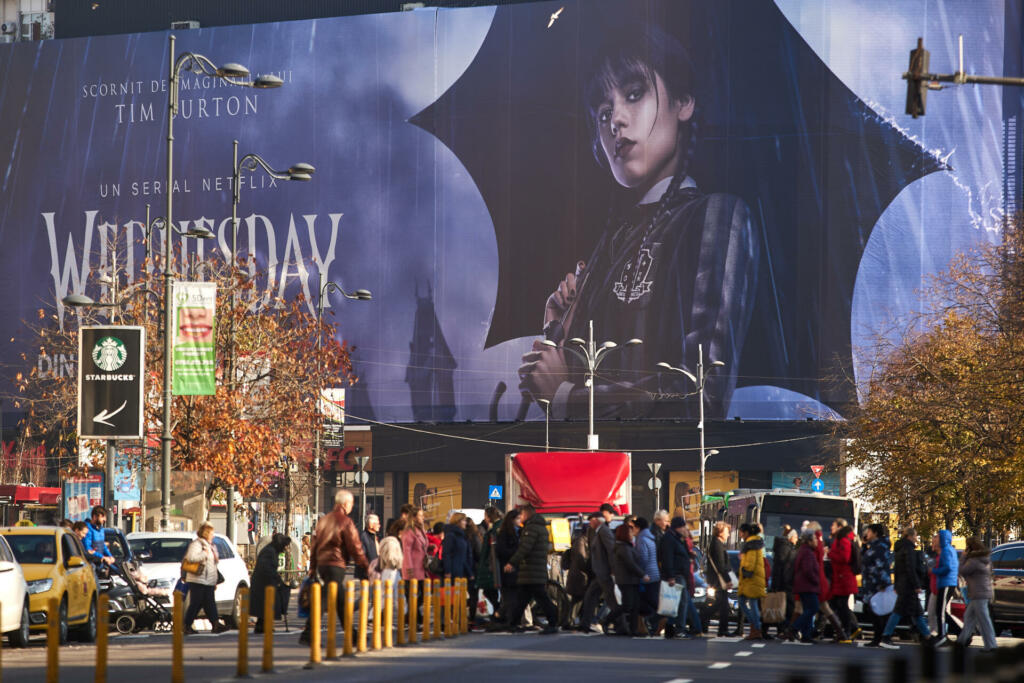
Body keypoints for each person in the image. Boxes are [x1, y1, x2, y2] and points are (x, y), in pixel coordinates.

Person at [517, 21, 759, 423]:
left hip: (669, 476)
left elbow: (699, 393)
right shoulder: (609, 247)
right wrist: (558, 330)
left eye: (634, 94)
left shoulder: (717, 216)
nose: (616, 121)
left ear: (684, 101)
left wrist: (565, 396)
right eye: (603, 112)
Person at [301, 489, 369, 645]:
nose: (352, 506)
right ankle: (308, 634)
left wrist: (313, 567)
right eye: (351, 503)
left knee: (340, 602)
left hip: (322, 564)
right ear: (345, 504)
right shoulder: (345, 522)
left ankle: (352, 636)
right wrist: (365, 565)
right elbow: (355, 547)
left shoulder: (324, 520)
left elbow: (315, 546)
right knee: (325, 601)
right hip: (336, 565)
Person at [503, 504, 559, 635]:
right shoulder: (540, 527)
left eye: (521, 515)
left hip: (532, 570)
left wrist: (512, 562)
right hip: (532, 570)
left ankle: (553, 622)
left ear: (526, 514)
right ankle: (513, 623)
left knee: (541, 598)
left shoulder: (531, 528)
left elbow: (525, 548)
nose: (520, 518)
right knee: (522, 599)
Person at [873, 526, 931, 648]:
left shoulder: (899, 549)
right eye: (915, 536)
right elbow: (910, 568)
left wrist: (897, 584)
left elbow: (898, 569)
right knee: (900, 612)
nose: (916, 538)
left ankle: (928, 636)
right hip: (908, 586)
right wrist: (916, 585)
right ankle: (886, 636)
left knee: (916, 612)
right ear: (909, 536)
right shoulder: (909, 549)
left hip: (902, 585)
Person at [604, 522, 649, 636]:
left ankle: (633, 630)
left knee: (635, 605)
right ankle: (606, 620)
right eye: (629, 532)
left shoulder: (627, 546)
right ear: (624, 534)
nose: (632, 534)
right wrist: (642, 575)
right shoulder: (622, 548)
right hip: (625, 580)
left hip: (631, 580)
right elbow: (631, 564)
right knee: (627, 605)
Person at [183, 521, 227, 634]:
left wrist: (214, 581)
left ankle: (215, 624)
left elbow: (212, 565)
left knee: (209, 603)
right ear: (206, 533)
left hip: (208, 581)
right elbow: (191, 558)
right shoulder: (197, 544)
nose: (213, 535)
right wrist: (204, 554)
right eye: (211, 533)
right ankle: (186, 625)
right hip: (198, 580)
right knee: (196, 603)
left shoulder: (210, 545)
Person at [580, 504, 618, 632]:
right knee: (591, 597)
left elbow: (611, 550)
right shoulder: (597, 531)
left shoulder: (604, 531)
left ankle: (620, 624)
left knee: (611, 600)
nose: (589, 523)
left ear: (596, 521)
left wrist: (613, 569)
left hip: (604, 572)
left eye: (591, 521)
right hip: (599, 571)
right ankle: (585, 624)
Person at [956, 536, 997, 652]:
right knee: (969, 617)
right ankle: (961, 642)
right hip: (983, 592)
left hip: (978, 593)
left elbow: (962, 571)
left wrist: (963, 557)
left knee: (984, 620)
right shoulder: (985, 558)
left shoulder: (974, 561)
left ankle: (991, 645)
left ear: (970, 547)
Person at [660, 516, 696, 639]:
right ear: (677, 527)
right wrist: (670, 576)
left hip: (679, 574)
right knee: (681, 603)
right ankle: (679, 629)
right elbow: (667, 558)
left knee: (676, 602)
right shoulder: (670, 539)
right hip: (676, 575)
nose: (684, 528)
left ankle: (671, 628)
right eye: (682, 526)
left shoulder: (676, 538)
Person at [859, 523, 892, 646]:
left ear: (875, 533)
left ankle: (880, 637)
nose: (866, 534)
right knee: (871, 610)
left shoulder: (880, 546)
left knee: (877, 611)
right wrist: (863, 545)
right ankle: (878, 637)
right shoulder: (872, 546)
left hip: (877, 585)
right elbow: (864, 560)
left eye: (869, 531)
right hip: (870, 583)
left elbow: (881, 565)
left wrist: (883, 583)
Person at [251, 533, 290, 634]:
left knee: (265, 605)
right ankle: (262, 625)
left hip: (266, 582)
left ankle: (262, 625)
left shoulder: (272, 550)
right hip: (263, 583)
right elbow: (267, 568)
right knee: (267, 604)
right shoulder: (269, 551)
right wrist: (278, 579)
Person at [827, 518, 859, 640]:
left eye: (833, 525)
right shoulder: (840, 540)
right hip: (840, 578)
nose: (831, 527)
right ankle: (847, 629)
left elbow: (845, 558)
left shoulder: (843, 541)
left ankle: (847, 630)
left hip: (843, 578)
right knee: (837, 604)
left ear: (840, 527)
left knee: (841, 605)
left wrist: (830, 554)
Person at [790, 528, 821, 643]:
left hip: (804, 585)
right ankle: (795, 627)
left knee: (808, 609)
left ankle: (806, 634)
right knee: (813, 608)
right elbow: (808, 570)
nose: (816, 541)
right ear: (809, 541)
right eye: (814, 539)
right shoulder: (807, 552)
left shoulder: (804, 550)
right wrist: (815, 580)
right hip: (807, 585)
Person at [493, 509, 522, 627]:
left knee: (513, 596)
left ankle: (503, 618)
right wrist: (516, 552)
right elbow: (501, 551)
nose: (520, 521)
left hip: (516, 568)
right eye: (518, 519)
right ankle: (507, 620)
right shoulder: (504, 533)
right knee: (509, 596)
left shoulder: (520, 531)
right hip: (507, 568)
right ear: (512, 520)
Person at [930, 529, 959, 646]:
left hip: (946, 582)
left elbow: (947, 568)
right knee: (940, 610)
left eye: (937, 537)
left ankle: (942, 635)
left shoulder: (946, 551)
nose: (935, 538)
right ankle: (951, 632)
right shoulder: (949, 550)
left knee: (941, 611)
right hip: (946, 582)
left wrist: (933, 571)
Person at [737, 523, 767, 640]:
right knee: (750, 603)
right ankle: (755, 629)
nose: (741, 535)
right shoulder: (754, 543)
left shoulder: (751, 545)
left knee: (745, 602)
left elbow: (750, 563)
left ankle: (756, 627)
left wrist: (744, 569)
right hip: (753, 580)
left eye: (742, 532)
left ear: (747, 533)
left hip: (751, 579)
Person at [703, 521, 732, 637]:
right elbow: (720, 565)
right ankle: (703, 620)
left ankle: (722, 629)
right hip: (718, 580)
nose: (728, 535)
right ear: (720, 532)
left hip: (717, 579)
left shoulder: (717, 543)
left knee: (722, 604)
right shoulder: (717, 545)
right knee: (720, 604)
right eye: (727, 532)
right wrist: (728, 579)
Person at [633, 517, 660, 631]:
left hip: (647, 575)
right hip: (654, 574)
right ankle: (652, 624)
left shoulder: (641, 539)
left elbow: (643, 558)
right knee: (652, 602)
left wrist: (641, 574)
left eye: (634, 527)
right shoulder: (650, 537)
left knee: (649, 603)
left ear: (638, 528)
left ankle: (652, 622)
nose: (633, 530)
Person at [770, 525, 797, 637]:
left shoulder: (783, 547)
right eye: (795, 536)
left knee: (783, 607)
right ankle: (785, 629)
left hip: (782, 583)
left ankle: (783, 629)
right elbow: (784, 567)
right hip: (785, 584)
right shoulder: (786, 548)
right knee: (786, 607)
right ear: (791, 537)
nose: (797, 539)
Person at [476, 507, 503, 618]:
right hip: (496, 565)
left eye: (485, 516)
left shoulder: (493, 530)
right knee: (493, 591)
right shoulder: (499, 526)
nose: (485, 518)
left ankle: (498, 612)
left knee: (490, 590)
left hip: (492, 566)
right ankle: (498, 612)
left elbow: (486, 551)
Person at [357, 513, 381, 581]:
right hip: (367, 572)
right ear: (371, 525)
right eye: (377, 523)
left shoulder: (374, 537)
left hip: (373, 571)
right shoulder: (364, 537)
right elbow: (362, 555)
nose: (379, 526)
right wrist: (367, 568)